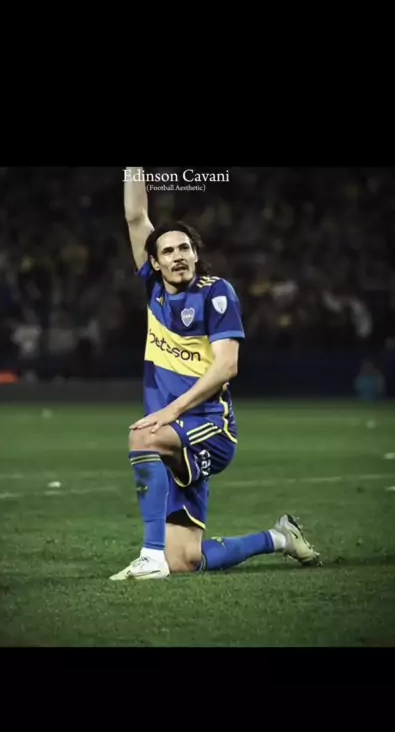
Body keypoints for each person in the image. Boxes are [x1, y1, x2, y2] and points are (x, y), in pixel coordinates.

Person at [110, 168, 321, 580]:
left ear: (195, 254)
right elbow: (136, 217)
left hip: (210, 428)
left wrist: (170, 412)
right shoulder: (154, 289)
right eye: (168, 251)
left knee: (142, 436)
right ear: (154, 262)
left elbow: (227, 366)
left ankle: (149, 557)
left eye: (185, 248)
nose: (178, 256)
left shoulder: (216, 292)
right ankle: (280, 538)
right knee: (185, 561)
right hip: (175, 436)